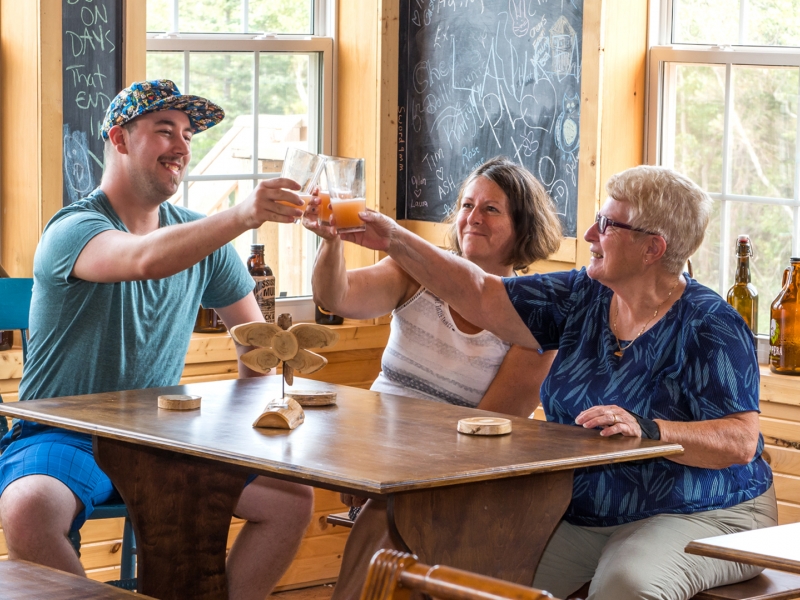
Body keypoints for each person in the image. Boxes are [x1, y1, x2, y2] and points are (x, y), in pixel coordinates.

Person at [336, 165, 776, 600]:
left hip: (709, 513)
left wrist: (651, 428)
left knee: (626, 586)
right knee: (476, 577)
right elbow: (482, 292)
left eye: (607, 224)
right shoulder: (582, 295)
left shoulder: (710, 324)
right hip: (590, 513)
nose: (588, 234)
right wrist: (393, 237)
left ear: (652, 248)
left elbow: (739, 439)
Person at [0, 80, 313, 600]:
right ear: (119, 140)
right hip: (62, 430)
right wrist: (242, 214)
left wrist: (243, 429)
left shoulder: (202, 238)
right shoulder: (74, 229)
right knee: (26, 508)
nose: (183, 147)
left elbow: (257, 346)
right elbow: (143, 260)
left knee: (291, 499)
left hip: (160, 436)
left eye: (188, 135)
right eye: (164, 131)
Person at [303, 156, 561, 600]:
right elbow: (336, 296)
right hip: (375, 451)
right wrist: (331, 243)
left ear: (523, 226)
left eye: (491, 209)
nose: (472, 218)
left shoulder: (534, 316)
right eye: (466, 205)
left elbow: (490, 426)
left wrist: (398, 472)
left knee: (392, 514)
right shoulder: (416, 270)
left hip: (453, 467)